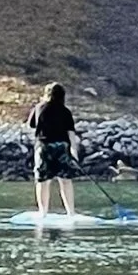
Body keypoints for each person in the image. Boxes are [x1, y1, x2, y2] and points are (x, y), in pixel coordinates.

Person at [28, 82, 82, 217]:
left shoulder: (39, 108)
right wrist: (74, 151)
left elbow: (32, 125)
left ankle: (43, 212)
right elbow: (71, 133)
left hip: (43, 147)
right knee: (65, 180)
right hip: (62, 147)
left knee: (42, 181)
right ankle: (71, 212)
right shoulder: (65, 111)